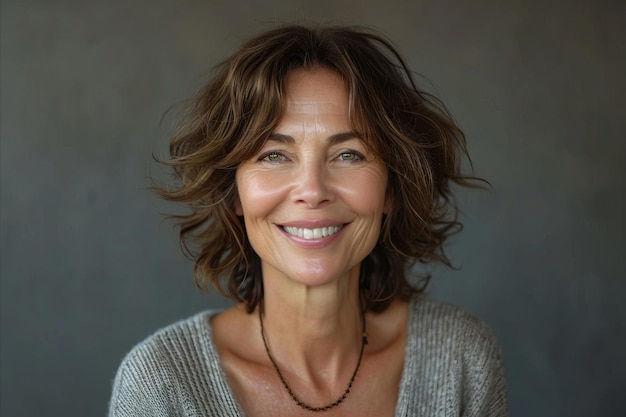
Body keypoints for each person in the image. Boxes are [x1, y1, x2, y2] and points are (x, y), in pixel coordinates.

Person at [108, 25, 509, 416]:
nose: (313, 190)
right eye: (274, 155)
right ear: (234, 193)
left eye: (349, 154)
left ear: (391, 187)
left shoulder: (461, 359)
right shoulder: (161, 383)